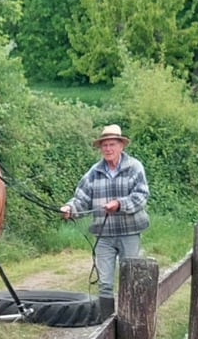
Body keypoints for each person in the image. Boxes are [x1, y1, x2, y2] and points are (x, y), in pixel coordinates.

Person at [60, 124, 150, 319]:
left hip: (130, 232)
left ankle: (132, 319)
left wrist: (119, 204)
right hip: (104, 235)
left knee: (131, 277)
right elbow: (81, 199)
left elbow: (141, 196)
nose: (108, 149)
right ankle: (105, 323)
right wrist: (69, 208)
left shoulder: (134, 167)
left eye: (112, 144)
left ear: (121, 146)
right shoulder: (93, 172)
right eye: (105, 145)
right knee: (105, 282)